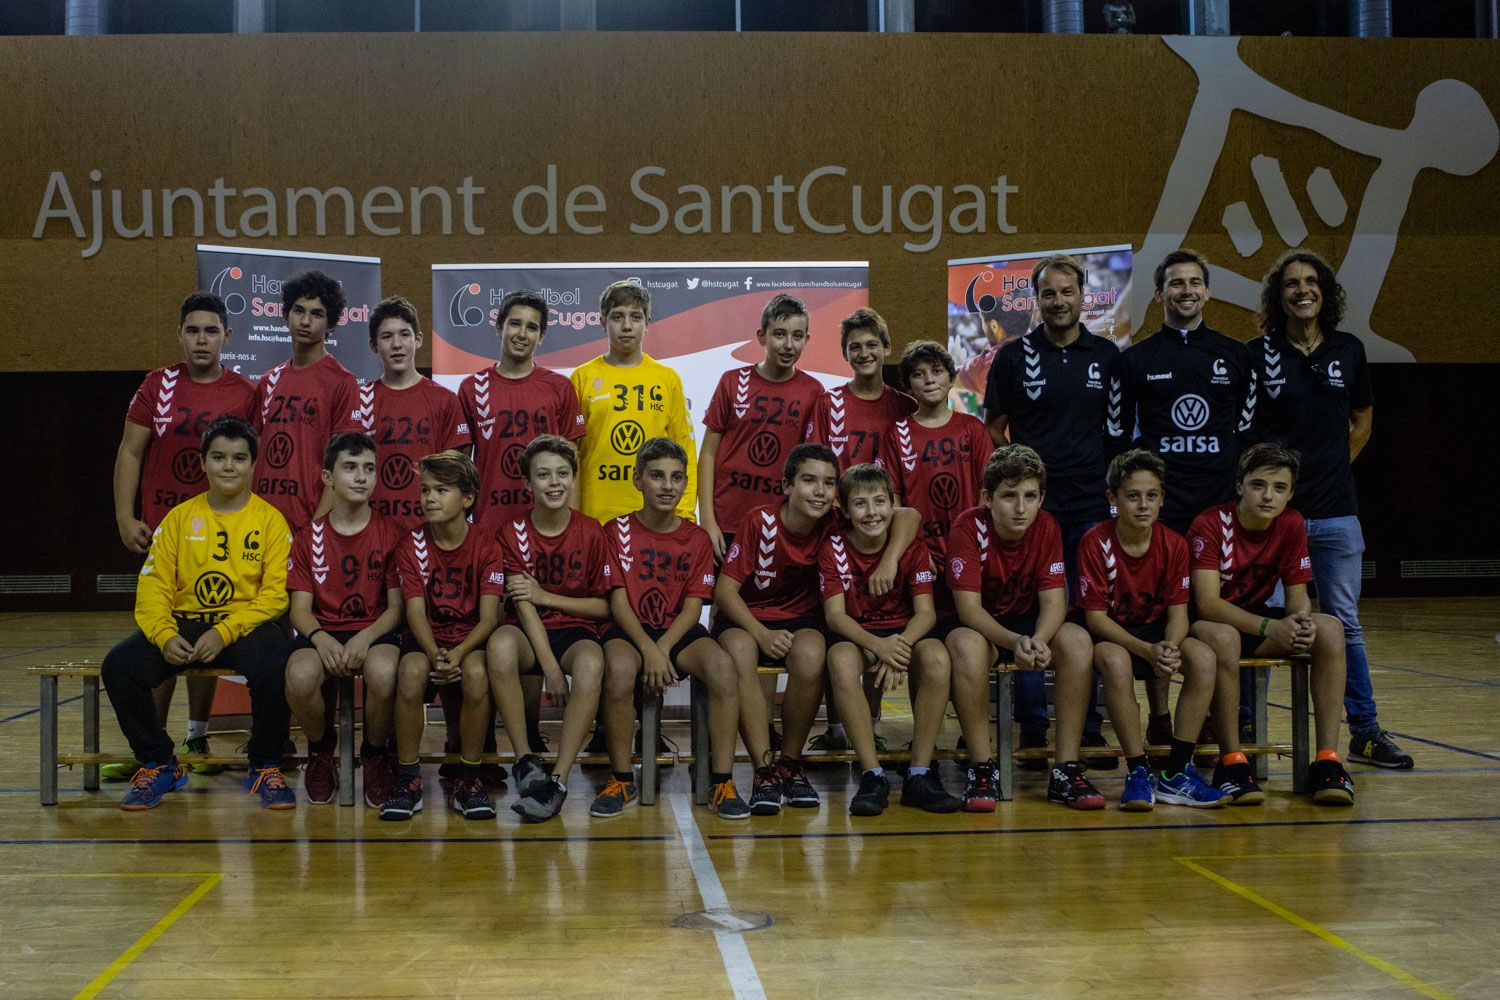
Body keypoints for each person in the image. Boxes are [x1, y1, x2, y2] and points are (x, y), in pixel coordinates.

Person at [1248, 250, 1411, 770]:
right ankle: (1251, 737)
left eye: (1311, 282)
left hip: (1338, 513)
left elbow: (1362, 418)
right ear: (1279, 296)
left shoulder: (1349, 349)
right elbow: (1246, 432)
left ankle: (1364, 731)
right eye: (1291, 283)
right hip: (1276, 519)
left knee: (1345, 623)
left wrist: (1338, 466)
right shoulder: (1259, 353)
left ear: (1325, 292)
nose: (1302, 290)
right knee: (1269, 623)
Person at [714, 444, 919, 815]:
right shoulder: (759, 521)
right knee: (741, 653)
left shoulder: (834, 521)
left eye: (828, 483)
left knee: (811, 655)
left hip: (801, 619)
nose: (820, 491)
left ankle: (790, 763)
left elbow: (909, 515)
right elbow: (725, 592)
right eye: (809, 481)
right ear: (787, 486)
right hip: (747, 617)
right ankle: (764, 770)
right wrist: (760, 633)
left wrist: (891, 558)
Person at [101, 416, 295, 810]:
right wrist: (164, 635)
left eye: (239, 458)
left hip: (245, 626)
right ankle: (159, 762)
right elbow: (153, 587)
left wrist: (224, 632)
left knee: (279, 661)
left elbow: (275, 597)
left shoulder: (271, 521)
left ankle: (264, 766)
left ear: (253, 464)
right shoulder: (176, 520)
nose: (229, 466)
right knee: (119, 666)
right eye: (219, 457)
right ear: (203, 462)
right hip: (185, 624)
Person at [108, 291, 256, 780]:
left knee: (206, 627)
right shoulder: (158, 384)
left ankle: (197, 731)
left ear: (227, 337)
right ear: (180, 335)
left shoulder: (244, 391)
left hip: (219, 537)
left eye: (211, 330)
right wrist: (125, 517)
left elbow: (252, 462)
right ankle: (151, 742)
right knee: (160, 635)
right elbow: (131, 451)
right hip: (162, 535)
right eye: (192, 330)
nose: (201, 339)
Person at [982, 254, 1118, 767]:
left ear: (1083, 296)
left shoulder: (1107, 356)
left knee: (1086, 618)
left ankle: (1088, 728)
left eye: (1067, 292)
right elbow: (994, 427)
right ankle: (1036, 729)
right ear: (1035, 300)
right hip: (1033, 511)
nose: (1058, 301)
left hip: (1089, 508)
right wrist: (1021, 478)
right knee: (1031, 613)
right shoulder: (1013, 357)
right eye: (1049, 293)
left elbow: (1118, 430)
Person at [1112, 250, 1253, 745]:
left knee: (1211, 615)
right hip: (1159, 513)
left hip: (1217, 512)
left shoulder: (1237, 357)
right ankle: (1159, 715)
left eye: (1195, 282)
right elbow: (1120, 435)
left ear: (1207, 292)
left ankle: (1221, 717)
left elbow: (1248, 432)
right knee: (1158, 614)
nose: (1186, 291)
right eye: (1176, 284)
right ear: (1159, 294)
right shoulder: (1136, 360)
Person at [1188, 442, 1356, 806]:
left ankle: (1327, 761)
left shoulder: (1291, 523)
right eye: (1258, 485)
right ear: (1240, 486)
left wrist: (1300, 620)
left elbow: (1297, 593)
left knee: (1330, 629)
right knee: (1225, 636)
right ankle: (1232, 763)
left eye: (1279, 488)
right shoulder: (1210, 523)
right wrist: (1270, 627)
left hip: (1261, 624)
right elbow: (1207, 603)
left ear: (1290, 493)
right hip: (1211, 627)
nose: (1268, 496)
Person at [944, 444, 1101, 811]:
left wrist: (1040, 641)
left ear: (1042, 498)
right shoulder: (968, 526)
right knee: (966, 646)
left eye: (1030, 497)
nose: (1021, 507)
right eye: (1009, 496)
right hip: (982, 624)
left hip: (1028, 622)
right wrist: (1017, 641)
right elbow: (968, 609)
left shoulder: (1046, 526)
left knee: (1077, 641)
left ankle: (1066, 768)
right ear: (986, 497)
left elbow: (1053, 602)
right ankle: (982, 767)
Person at [600, 437, 750, 819]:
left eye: (677, 478)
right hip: (630, 629)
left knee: (721, 668)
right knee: (617, 672)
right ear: (638, 481)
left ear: (686, 483)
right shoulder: (614, 531)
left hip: (677, 631)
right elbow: (618, 602)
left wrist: (661, 648)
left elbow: (693, 606)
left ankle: (722, 781)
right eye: (657, 476)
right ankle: (620, 777)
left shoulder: (697, 537)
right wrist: (647, 649)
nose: (668, 486)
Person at [1076, 449, 1229, 810]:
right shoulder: (1095, 542)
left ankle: (1176, 773)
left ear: (1162, 498)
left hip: (1157, 633)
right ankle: (1138, 770)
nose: (1143, 505)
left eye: (1151, 496)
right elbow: (1096, 619)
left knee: (1204, 658)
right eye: (1132, 496)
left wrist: (1171, 646)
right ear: (1113, 499)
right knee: (1115, 663)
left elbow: (1179, 612)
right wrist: (1147, 651)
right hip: (1113, 635)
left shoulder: (1174, 544)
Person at [819, 464, 959, 815]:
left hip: (904, 632)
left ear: (892, 505)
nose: (872, 512)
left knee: (938, 658)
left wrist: (899, 647)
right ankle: (872, 774)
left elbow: (925, 613)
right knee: (840, 660)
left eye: (880, 502)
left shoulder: (909, 545)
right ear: (845, 510)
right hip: (859, 632)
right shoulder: (833, 546)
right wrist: (879, 646)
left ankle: (919, 773)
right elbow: (835, 616)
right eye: (861, 504)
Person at [489, 436, 615, 823]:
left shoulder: (592, 531)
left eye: (562, 473)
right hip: (529, 634)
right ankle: (526, 757)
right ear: (527, 484)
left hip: (574, 628)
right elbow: (523, 606)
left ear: (575, 479)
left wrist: (548, 596)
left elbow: (603, 606)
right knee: (499, 645)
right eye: (543, 475)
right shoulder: (512, 532)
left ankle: (557, 781)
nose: (554, 482)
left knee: (593, 663)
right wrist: (550, 669)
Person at [383, 451, 504, 821]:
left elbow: (489, 618)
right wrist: (437, 654)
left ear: (467, 498)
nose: (430, 498)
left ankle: (469, 778)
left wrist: (460, 652)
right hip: (426, 642)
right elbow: (415, 612)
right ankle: (408, 780)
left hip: (470, 641)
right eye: (426, 490)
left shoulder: (486, 545)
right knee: (410, 673)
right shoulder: (411, 545)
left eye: (442, 490)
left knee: (478, 673)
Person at [284, 432, 404, 805]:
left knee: (384, 673)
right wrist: (320, 638)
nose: (360, 477)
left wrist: (366, 638)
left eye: (369, 468)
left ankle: (374, 753)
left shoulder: (392, 533)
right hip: (324, 630)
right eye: (349, 468)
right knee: (300, 675)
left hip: (375, 628)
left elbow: (397, 609)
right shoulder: (308, 538)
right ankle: (321, 751)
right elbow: (299, 610)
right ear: (328, 478)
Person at [699, 293, 825, 561]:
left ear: (807, 340)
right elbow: (708, 453)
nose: (788, 344)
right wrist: (708, 521)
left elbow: (812, 464)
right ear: (761, 336)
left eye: (797, 336)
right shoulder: (732, 381)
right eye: (779, 334)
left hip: (780, 523)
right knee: (722, 598)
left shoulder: (813, 391)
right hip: (727, 522)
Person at [570, 280, 696, 523]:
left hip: (654, 519)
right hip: (595, 516)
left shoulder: (667, 379)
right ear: (602, 321)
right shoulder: (581, 378)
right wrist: (572, 518)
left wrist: (685, 514)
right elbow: (569, 456)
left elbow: (685, 451)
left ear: (647, 323)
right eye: (617, 317)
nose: (626, 326)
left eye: (635, 317)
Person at [458, 289, 584, 531]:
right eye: (515, 324)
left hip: (547, 527)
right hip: (489, 526)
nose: (522, 334)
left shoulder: (560, 387)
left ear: (542, 336)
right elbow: (462, 466)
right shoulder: (471, 388)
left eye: (532, 327)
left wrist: (572, 526)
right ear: (499, 327)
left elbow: (573, 462)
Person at [251, 270, 364, 535]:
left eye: (317, 314)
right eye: (299, 310)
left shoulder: (342, 382)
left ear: (331, 323)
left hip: (309, 524)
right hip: (261, 522)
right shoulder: (269, 380)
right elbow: (254, 455)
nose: (305, 321)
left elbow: (343, 465)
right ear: (285, 315)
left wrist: (316, 529)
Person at [366, 295, 471, 530]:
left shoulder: (445, 400)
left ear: (419, 339)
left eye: (404, 334)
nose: (397, 344)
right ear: (374, 345)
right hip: (372, 531)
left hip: (429, 531)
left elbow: (455, 476)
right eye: (386, 336)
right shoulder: (359, 400)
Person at [806, 307, 917, 472]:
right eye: (855, 347)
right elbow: (813, 466)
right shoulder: (827, 404)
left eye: (871, 345)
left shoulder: (907, 407)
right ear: (845, 354)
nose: (864, 354)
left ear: (887, 348)